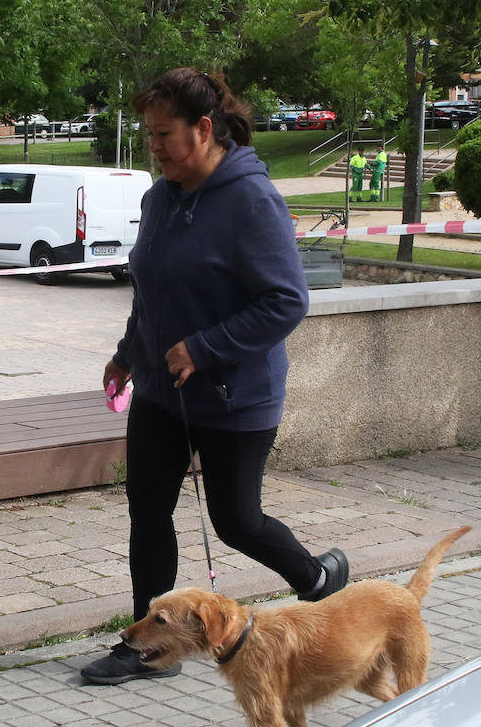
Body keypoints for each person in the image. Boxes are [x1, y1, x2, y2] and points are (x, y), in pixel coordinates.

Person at [81, 68, 349, 686]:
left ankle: (314, 578)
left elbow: (286, 301)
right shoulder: (159, 198)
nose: (155, 148)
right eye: (148, 135)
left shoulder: (252, 200)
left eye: (164, 135)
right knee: (148, 512)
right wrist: (127, 355)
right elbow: (151, 293)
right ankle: (147, 650)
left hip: (235, 396)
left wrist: (205, 348)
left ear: (204, 130)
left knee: (236, 522)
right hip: (159, 391)